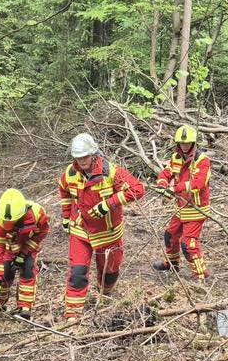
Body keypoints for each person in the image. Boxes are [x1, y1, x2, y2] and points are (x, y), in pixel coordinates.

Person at [57, 132, 145, 321]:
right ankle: (72, 315)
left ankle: (104, 297)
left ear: (94, 154)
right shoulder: (69, 175)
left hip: (109, 234)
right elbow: (64, 191)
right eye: (78, 157)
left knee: (109, 273)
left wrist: (108, 204)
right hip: (81, 231)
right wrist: (66, 217)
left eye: (85, 157)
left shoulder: (111, 172)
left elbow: (137, 189)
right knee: (77, 272)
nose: (81, 161)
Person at [152, 125, 212, 280]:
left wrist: (175, 187)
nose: (184, 146)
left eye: (187, 143)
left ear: (193, 143)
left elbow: (198, 184)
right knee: (170, 235)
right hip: (181, 207)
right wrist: (162, 183)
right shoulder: (176, 158)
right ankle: (171, 264)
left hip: (196, 209)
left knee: (188, 244)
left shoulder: (202, 161)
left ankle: (200, 275)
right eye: (182, 143)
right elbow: (167, 172)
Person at [0, 188, 50, 316]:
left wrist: (24, 252)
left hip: (28, 247)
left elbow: (41, 233)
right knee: (5, 274)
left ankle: (25, 307)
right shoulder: (0, 222)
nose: (8, 224)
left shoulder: (37, 213)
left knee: (28, 271)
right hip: (8, 249)